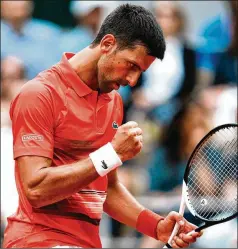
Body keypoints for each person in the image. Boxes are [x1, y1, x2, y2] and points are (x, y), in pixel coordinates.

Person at [2, 4, 202, 248]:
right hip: (36, 240)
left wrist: (156, 225)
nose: (132, 80)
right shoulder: (39, 94)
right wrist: (110, 154)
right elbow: (35, 189)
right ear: (107, 44)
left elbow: (107, 187)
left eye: (140, 73)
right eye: (132, 66)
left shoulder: (114, 102)